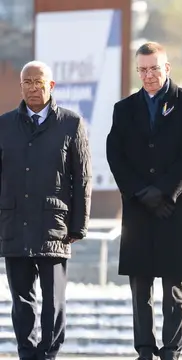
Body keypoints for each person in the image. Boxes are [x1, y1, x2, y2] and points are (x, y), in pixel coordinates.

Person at [106, 41, 182, 360]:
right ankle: (145, 350)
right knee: (140, 287)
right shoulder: (124, 109)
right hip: (139, 209)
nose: (148, 75)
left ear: (167, 68)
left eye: (154, 69)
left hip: (174, 207)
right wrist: (139, 191)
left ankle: (171, 349)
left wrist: (164, 191)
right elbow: (115, 154)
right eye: (142, 70)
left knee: (174, 287)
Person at [0, 60, 92, 360]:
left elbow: (82, 178)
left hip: (55, 226)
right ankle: (27, 353)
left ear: (51, 86)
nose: (32, 88)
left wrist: (79, 224)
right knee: (21, 301)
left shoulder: (71, 124)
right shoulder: (4, 125)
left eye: (38, 82)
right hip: (14, 224)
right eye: (27, 82)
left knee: (54, 301)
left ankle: (48, 354)